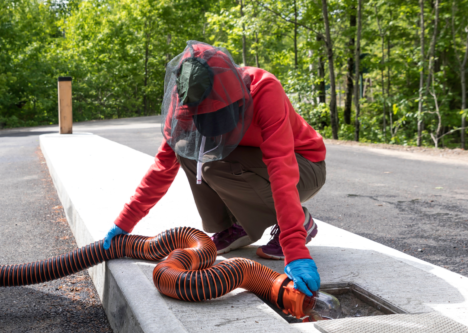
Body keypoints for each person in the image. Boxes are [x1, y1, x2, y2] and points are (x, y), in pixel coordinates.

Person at [102, 41, 327, 296]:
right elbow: (163, 165)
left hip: (304, 165)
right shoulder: (184, 99)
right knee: (186, 148)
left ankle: (302, 222)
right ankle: (236, 225)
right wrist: (124, 222)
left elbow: (281, 169)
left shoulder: (264, 89)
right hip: (255, 163)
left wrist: (295, 249)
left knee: (214, 167)